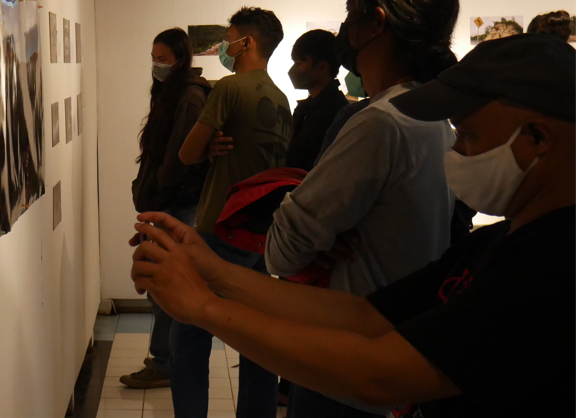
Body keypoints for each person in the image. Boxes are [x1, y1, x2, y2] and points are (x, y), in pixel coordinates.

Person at [129, 32, 575, 418]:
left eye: (470, 135)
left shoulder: (554, 264)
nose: (456, 148)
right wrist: (212, 271)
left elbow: (378, 373)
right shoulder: (500, 241)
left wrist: (204, 307)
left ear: (536, 137)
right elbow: (365, 315)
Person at [262, 0, 460, 417]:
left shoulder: (381, 123)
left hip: (345, 372)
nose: (345, 27)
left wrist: (310, 233)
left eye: (352, 12)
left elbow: (282, 250)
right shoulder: (434, 117)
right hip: (391, 357)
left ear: (376, 23)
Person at [171, 7, 292, 418]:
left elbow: (188, 153)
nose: (225, 45)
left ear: (248, 42)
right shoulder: (280, 100)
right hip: (261, 235)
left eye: (229, 37)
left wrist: (206, 149)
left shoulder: (229, 88)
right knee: (257, 343)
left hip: (218, 230)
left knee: (188, 338)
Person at [122, 29, 212, 389]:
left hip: (175, 204)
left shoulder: (190, 95)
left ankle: (166, 362)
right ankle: (165, 360)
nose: (156, 65)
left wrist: (157, 187)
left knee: (166, 286)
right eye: (153, 57)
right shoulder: (170, 92)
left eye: (162, 58)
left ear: (180, 57)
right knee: (161, 287)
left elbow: (178, 157)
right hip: (165, 202)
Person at [285, 30, 349, 171]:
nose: (293, 70)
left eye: (300, 63)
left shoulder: (334, 110)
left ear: (322, 67)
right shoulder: (305, 107)